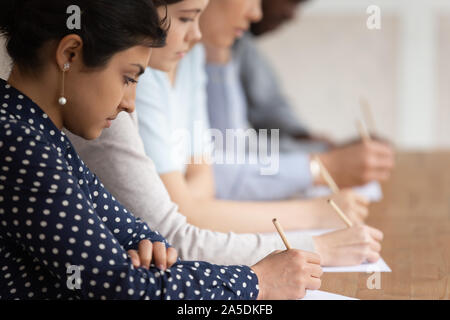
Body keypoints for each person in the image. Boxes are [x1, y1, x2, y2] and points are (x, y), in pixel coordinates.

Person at [0, 0, 323, 300]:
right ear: (70, 54)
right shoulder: (18, 143)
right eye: (128, 78)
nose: (129, 104)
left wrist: (151, 250)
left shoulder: (43, 136)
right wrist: (257, 282)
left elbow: (144, 236)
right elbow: (119, 287)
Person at [67, 0, 383, 268]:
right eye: (188, 17)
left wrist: (193, 202)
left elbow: (214, 175)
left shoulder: (186, 60)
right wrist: (316, 239)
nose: (257, 12)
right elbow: (178, 226)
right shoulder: (129, 88)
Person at [206, 0, 396, 201]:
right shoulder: (194, 50)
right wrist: (323, 166)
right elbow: (225, 162)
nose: (256, 13)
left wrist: (320, 149)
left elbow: (269, 109)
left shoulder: (238, 44)